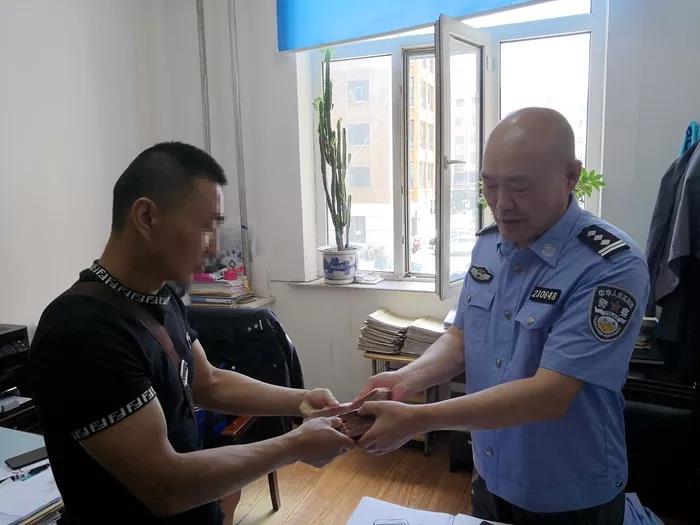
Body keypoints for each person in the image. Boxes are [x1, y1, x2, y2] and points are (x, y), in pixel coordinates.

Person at [29, 142, 354, 524]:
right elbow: (165, 486)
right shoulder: (82, 334)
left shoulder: (161, 295)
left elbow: (208, 381)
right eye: (205, 226)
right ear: (147, 216)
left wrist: (301, 400)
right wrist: (294, 445)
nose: (214, 247)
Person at [354, 108, 649, 525]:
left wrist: (418, 419)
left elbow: (551, 393)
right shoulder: (489, 245)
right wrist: (404, 380)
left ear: (571, 176)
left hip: (570, 492)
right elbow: (461, 338)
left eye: (520, 187)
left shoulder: (610, 265)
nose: (501, 205)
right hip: (491, 474)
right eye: (489, 185)